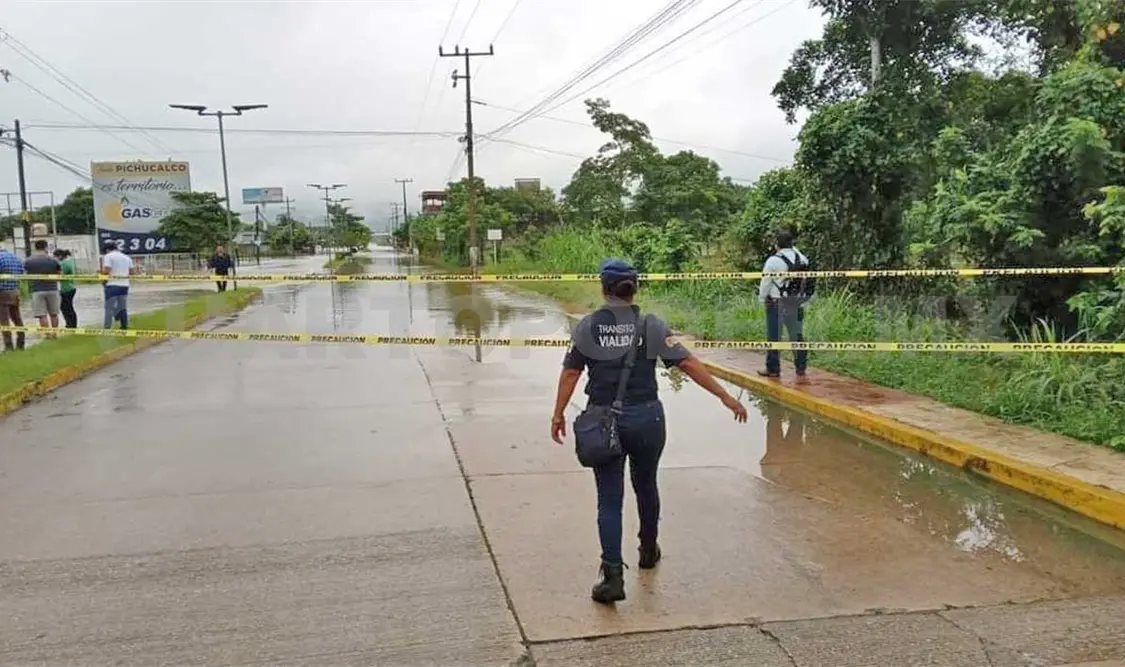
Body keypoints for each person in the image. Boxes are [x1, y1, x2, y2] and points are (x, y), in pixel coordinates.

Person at [551, 258, 749, 604]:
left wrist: (557, 414)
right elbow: (687, 363)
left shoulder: (587, 327)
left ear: (603, 288)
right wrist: (725, 396)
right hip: (647, 419)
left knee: (609, 499)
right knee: (646, 485)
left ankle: (612, 575)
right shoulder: (651, 325)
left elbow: (571, 374)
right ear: (635, 288)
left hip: (603, 421)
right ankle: (647, 550)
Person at [758, 229, 812, 379]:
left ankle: (773, 369)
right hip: (796, 302)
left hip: (776, 302)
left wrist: (762, 298)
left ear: (777, 245)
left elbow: (765, 283)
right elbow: (797, 254)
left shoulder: (773, 261)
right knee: (797, 334)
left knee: (774, 336)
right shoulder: (802, 259)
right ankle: (801, 366)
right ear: (792, 244)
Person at [24, 240, 62, 334]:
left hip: (36, 290)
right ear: (46, 247)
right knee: (54, 314)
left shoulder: (28, 261)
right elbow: (60, 274)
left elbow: (24, 274)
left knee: (42, 315)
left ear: (35, 248)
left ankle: (47, 335)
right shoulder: (53, 260)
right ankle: (54, 334)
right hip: (52, 289)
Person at [101, 241, 134, 330]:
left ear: (107, 249)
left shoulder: (108, 256)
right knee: (122, 307)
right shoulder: (126, 257)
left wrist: (103, 281)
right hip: (124, 285)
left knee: (109, 308)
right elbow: (131, 272)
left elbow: (106, 270)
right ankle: (124, 326)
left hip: (112, 284)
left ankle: (107, 328)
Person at [0, 245, 26, 351]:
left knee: (4, 320)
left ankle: (8, 346)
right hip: (15, 291)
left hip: (2, 292)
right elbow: (21, 272)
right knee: (17, 318)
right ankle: (21, 342)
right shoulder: (15, 257)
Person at [54, 249, 78, 328]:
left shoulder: (63, 264)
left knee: (66, 308)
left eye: (55, 257)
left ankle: (70, 325)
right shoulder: (69, 261)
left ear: (60, 256)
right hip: (70, 287)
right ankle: (71, 324)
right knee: (68, 307)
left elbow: (60, 276)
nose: (55, 259)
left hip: (66, 289)